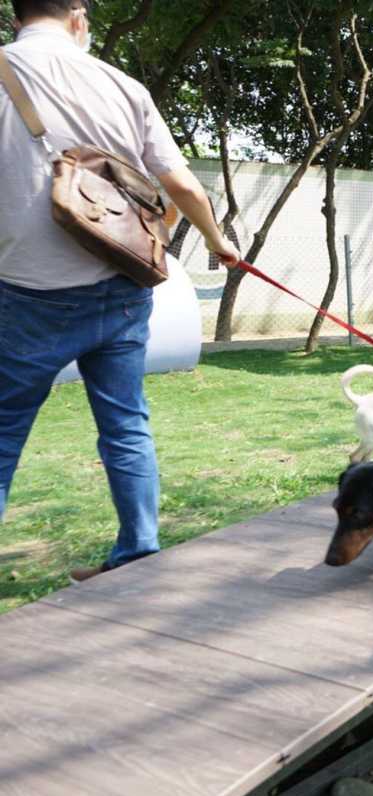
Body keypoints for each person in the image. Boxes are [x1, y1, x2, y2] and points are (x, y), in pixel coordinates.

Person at [0, 0, 238, 582]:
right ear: (79, 18)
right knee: (126, 424)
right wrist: (218, 241)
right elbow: (180, 183)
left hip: (29, 295)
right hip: (123, 286)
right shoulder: (122, 86)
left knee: (3, 435)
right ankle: (138, 553)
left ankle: (136, 552)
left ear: (15, 18)